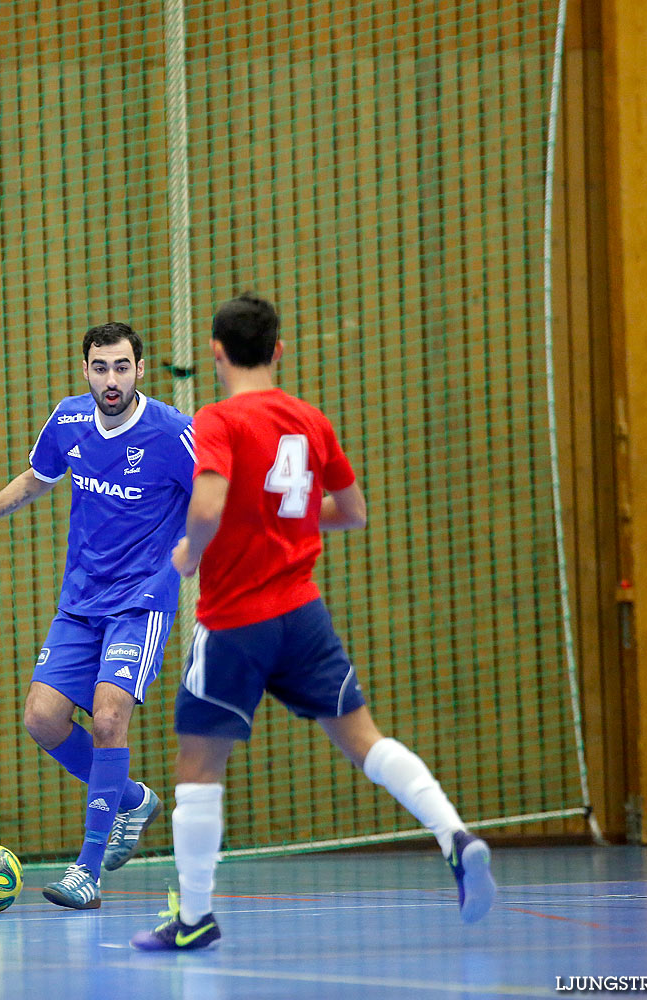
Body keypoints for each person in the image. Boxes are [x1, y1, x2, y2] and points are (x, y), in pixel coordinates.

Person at [131, 294, 495, 951]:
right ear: (279, 351)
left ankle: (194, 920)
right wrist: (285, 519)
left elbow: (208, 503)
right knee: (367, 743)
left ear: (215, 353)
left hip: (235, 620)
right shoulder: (309, 420)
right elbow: (351, 511)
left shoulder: (218, 419)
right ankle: (455, 835)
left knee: (197, 768)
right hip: (303, 615)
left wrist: (189, 550)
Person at [0, 321, 197, 910]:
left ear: (140, 370)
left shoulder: (173, 433)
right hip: (80, 602)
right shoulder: (69, 420)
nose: (111, 379)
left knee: (107, 717)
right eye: (101, 367)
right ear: (86, 370)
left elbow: (215, 491)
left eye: (122, 366)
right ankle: (130, 799)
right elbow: (35, 479)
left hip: (140, 600)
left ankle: (87, 871)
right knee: (42, 720)